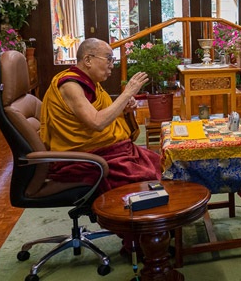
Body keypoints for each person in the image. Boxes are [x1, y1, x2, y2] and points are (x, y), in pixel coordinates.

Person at [40, 38, 160, 193]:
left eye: (113, 60)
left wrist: (124, 109)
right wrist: (127, 93)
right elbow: (97, 122)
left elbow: (100, 114)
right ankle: (128, 212)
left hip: (104, 150)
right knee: (144, 175)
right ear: (88, 60)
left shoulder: (91, 83)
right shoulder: (70, 86)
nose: (112, 65)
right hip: (82, 158)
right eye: (109, 59)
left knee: (155, 160)